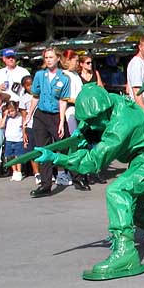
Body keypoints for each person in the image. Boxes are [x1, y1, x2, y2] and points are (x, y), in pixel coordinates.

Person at [32, 84, 144, 280]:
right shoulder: (109, 101)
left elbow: (93, 162)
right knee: (132, 210)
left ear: (105, 111)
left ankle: (125, 254)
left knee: (118, 191)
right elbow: (91, 123)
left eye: (93, 121)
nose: (90, 125)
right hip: (142, 157)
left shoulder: (122, 123)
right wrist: (82, 133)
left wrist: (57, 158)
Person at [25, 47, 70, 197]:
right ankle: (45, 185)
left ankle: (77, 176)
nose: (49, 60)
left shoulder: (64, 78)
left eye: (51, 57)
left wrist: (61, 121)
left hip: (56, 115)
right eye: (46, 58)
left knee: (64, 146)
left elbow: (63, 101)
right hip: (41, 115)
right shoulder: (39, 75)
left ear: (58, 58)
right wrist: (28, 116)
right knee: (42, 149)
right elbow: (35, 97)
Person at [58, 50, 89, 191]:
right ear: (68, 61)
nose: (77, 63)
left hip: (79, 110)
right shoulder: (65, 76)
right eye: (75, 61)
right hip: (69, 111)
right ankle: (74, 175)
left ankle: (80, 172)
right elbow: (64, 97)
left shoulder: (76, 75)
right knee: (72, 142)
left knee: (80, 142)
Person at [2, 99, 25, 181]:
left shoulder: (20, 118)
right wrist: (5, 115)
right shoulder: (8, 118)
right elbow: (1, 126)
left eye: (12, 111)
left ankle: (19, 172)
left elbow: (23, 128)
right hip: (9, 140)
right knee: (10, 156)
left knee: (18, 156)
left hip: (18, 139)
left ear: (16, 109)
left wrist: (24, 139)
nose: (11, 113)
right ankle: (14, 171)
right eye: (9, 111)